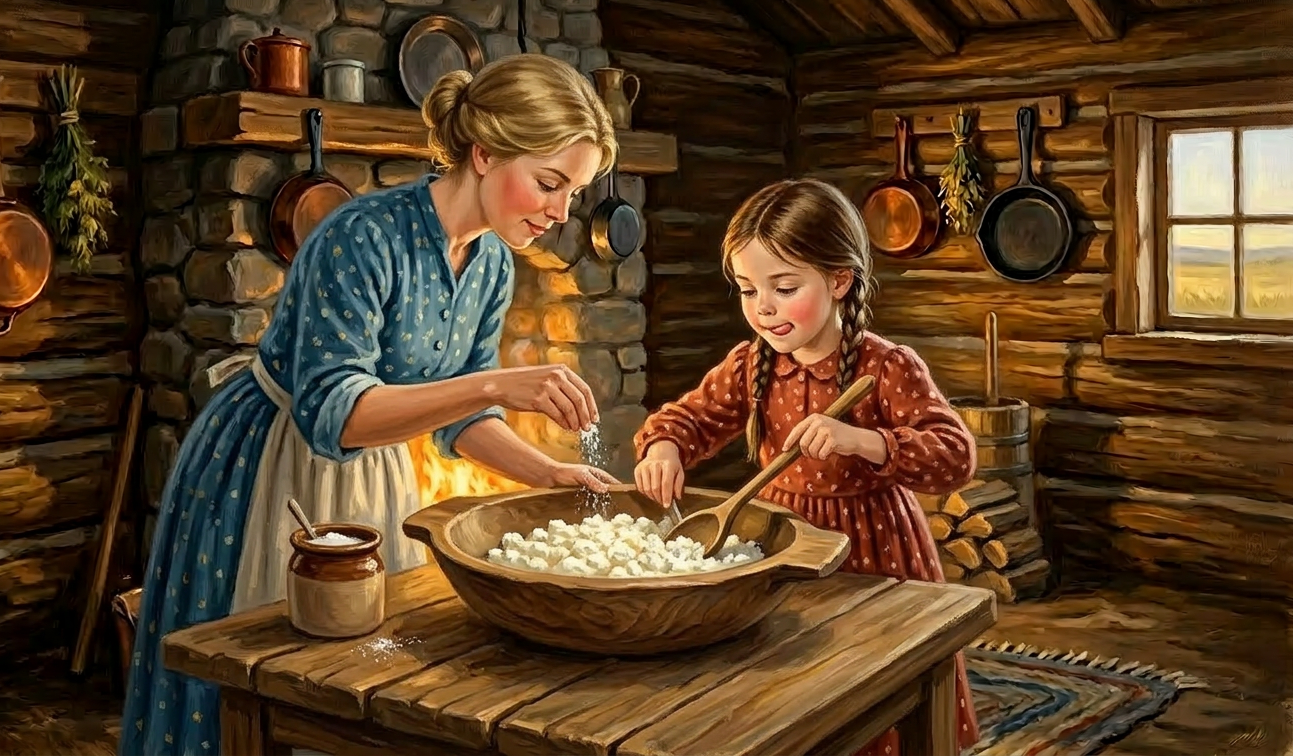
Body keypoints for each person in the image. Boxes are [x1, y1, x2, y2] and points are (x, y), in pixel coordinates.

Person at [120, 53, 622, 756]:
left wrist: (549, 474)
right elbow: (335, 415)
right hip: (267, 465)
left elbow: (461, 418)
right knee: (253, 688)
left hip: (376, 477)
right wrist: (495, 385)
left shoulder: (491, 265)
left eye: (574, 192)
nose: (561, 213)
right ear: (483, 153)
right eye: (549, 183)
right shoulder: (362, 235)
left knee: (358, 694)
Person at [631, 178, 980, 756]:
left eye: (785, 287)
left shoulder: (887, 365)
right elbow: (691, 417)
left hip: (873, 549)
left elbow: (954, 456)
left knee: (874, 686)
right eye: (748, 290)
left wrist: (863, 441)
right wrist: (664, 446)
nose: (763, 307)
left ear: (839, 280)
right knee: (792, 687)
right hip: (784, 544)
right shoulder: (751, 364)